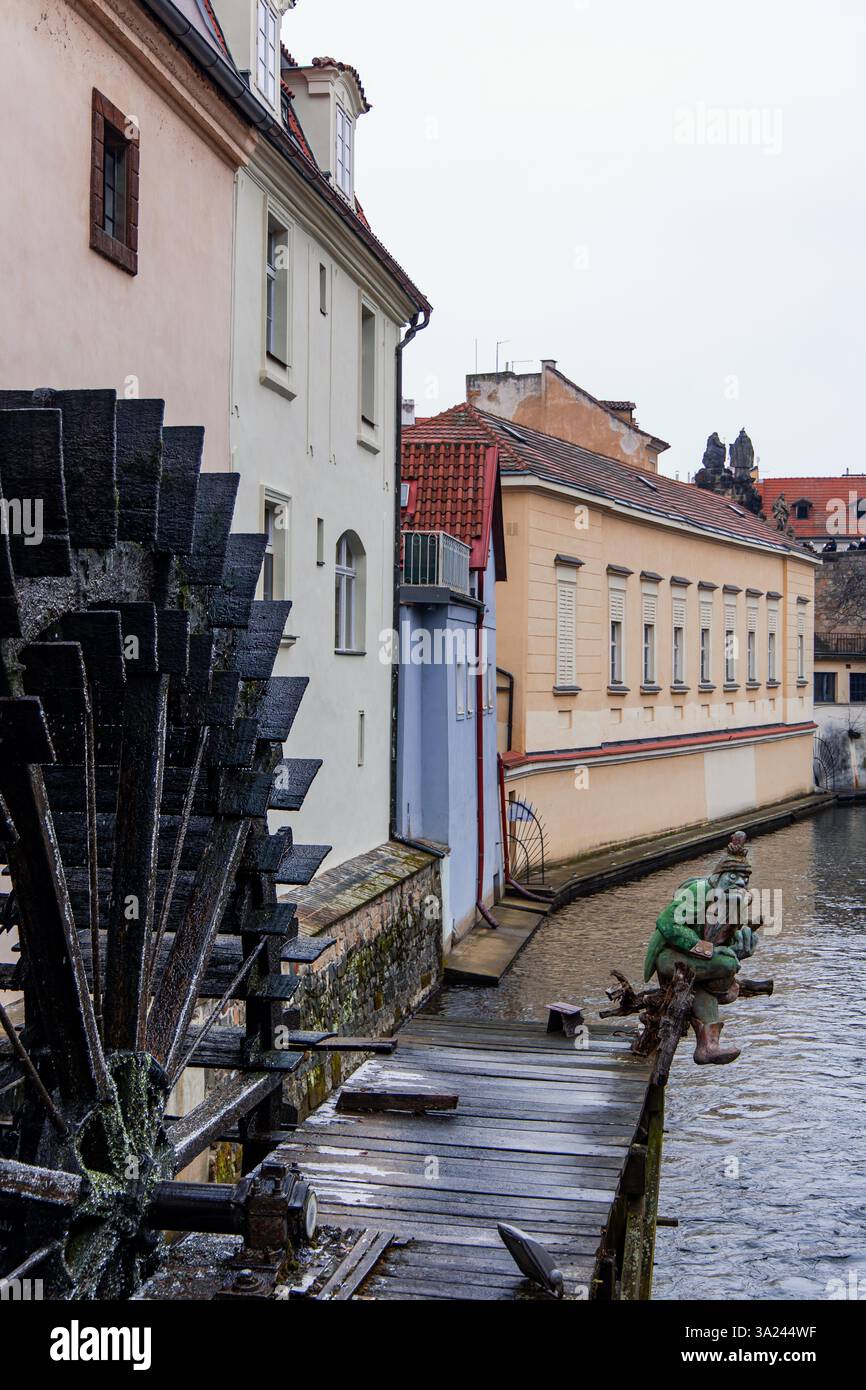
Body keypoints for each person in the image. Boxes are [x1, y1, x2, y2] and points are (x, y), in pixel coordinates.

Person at [643, 832, 758, 1064]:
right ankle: (724, 987)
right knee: (724, 963)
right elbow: (667, 923)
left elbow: (723, 944)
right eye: (734, 876)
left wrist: (741, 948)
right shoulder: (698, 891)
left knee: (715, 972)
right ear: (718, 877)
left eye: (745, 879)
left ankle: (708, 1046)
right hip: (669, 957)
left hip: (693, 962)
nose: (741, 883)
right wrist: (707, 950)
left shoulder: (732, 903)